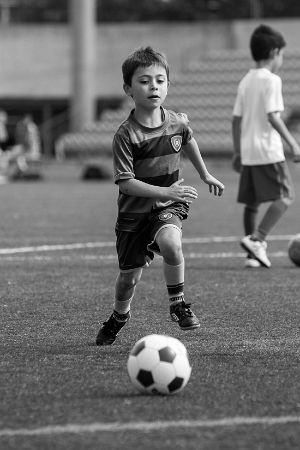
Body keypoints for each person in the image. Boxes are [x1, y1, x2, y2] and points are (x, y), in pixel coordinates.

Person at [96, 46, 225, 345]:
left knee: (171, 244)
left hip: (168, 205)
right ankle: (119, 316)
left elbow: (187, 139)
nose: (153, 86)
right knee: (129, 278)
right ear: (128, 89)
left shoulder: (177, 121)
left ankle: (178, 304)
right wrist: (167, 189)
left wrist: (205, 174)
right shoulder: (126, 134)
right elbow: (126, 183)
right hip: (133, 213)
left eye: (160, 80)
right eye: (144, 81)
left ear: (168, 84)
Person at [232, 24, 300, 269]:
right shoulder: (272, 80)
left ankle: (252, 255)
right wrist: (293, 144)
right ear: (274, 52)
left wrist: (238, 152)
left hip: (249, 151)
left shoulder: (245, 81)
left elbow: (236, 120)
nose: (281, 58)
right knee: (286, 196)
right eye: (281, 53)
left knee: (252, 202)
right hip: (268, 150)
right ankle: (257, 239)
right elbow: (273, 116)